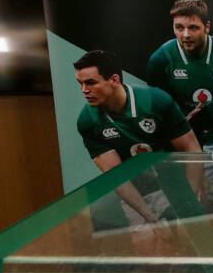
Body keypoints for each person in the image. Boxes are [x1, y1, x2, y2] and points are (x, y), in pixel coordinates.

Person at [73, 50, 203, 223]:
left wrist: (190, 199)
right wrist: (148, 216)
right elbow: (115, 174)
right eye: (80, 83)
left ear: (114, 80)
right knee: (150, 244)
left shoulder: (155, 101)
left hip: (175, 181)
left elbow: (190, 148)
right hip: (136, 193)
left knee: (197, 240)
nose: (84, 90)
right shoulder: (88, 121)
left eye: (90, 83)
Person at [146, 0, 213, 151]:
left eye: (193, 28)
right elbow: (157, 106)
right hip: (183, 137)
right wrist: (183, 121)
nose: (185, 35)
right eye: (179, 27)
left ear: (207, 27)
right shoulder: (161, 59)